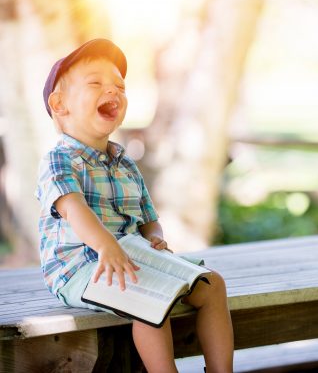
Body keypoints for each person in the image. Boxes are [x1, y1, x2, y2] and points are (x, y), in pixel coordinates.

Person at [36, 38, 234, 373]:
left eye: (119, 86)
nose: (112, 91)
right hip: (80, 268)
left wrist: (155, 237)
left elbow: (147, 217)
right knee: (149, 298)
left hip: (130, 255)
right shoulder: (59, 159)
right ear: (59, 104)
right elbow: (74, 209)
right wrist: (106, 246)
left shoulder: (124, 161)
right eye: (96, 83)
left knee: (212, 284)